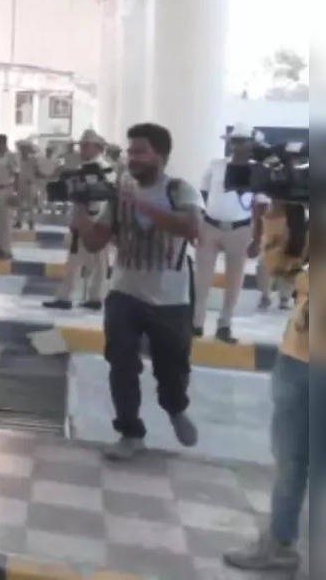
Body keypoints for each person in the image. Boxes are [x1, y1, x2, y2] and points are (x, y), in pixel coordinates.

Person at [71, 122, 202, 461]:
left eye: (140, 151)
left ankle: (175, 407)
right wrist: (80, 210)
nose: (133, 158)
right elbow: (95, 241)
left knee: (172, 368)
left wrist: (141, 204)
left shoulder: (180, 190)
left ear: (160, 154)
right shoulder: (118, 194)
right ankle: (130, 432)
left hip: (171, 299)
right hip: (124, 293)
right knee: (121, 362)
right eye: (130, 151)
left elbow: (190, 228)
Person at [223, 204, 315, 573]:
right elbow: (283, 270)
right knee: (290, 458)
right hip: (298, 355)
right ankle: (279, 541)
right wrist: (279, 215)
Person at [193, 122, 264, 342]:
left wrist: (257, 239)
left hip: (240, 228)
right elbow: (201, 198)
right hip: (210, 225)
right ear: (230, 143)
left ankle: (224, 325)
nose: (239, 146)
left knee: (234, 280)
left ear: (251, 144)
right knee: (201, 278)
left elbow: (260, 208)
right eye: (235, 141)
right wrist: (197, 226)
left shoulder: (258, 171)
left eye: (243, 141)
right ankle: (196, 323)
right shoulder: (215, 166)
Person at [44, 129, 111, 311]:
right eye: (81, 146)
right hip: (83, 219)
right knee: (76, 260)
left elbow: (102, 194)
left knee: (98, 261)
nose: (81, 149)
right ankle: (70, 297)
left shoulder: (103, 167)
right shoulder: (85, 167)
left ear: (96, 147)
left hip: (94, 220)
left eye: (85, 146)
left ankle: (92, 297)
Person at [15, 140, 40, 230]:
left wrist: (34, 182)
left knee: (30, 205)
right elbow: (17, 172)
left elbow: (37, 171)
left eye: (24, 149)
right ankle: (19, 221)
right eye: (22, 149)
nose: (23, 151)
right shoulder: (19, 159)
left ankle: (31, 222)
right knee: (19, 204)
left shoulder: (33, 159)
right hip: (21, 183)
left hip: (30, 183)